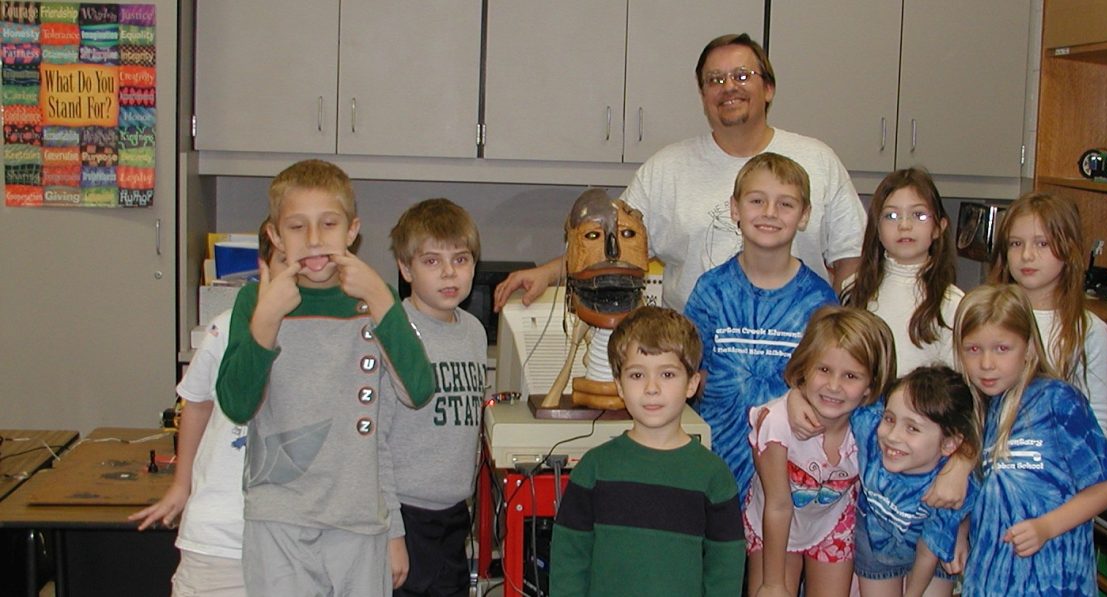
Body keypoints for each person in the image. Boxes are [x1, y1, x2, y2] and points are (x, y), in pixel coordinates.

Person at [494, 32, 865, 312]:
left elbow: (852, 261)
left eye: (741, 75)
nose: (728, 87)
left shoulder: (818, 162)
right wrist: (547, 273)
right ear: (703, 95)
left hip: (800, 361)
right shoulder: (667, 169)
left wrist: (846, 342)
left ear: (768, 88)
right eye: (714, 80)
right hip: (691, 366)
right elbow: (610, 245)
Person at [216, 159, 435, 596]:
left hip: (358, 520)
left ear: (352, 230)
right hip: (279, 518)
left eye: (328, 224)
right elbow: (236, 404)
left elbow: (418, 390)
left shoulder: (375, 298)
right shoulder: (254, 302)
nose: (314, 240)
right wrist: (267, 318)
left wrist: (378, 297)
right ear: (276, 236)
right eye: (297, 227)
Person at [128, 221, 282, 597]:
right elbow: (195, 405)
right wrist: (182, 485)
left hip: (289, 538)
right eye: (286, 261)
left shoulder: (329, 334)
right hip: (218, 535)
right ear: (264, 267)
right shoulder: (225, 328)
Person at [550, 306, 745, 597]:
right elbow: (569, 563)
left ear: (691, 384)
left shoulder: (713, 476)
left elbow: (725, 572)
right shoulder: (594, 469)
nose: (652, 388)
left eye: (667, 374)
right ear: (619, 385)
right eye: (637, 375)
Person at [683, 152, 838, 503]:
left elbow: (833, 386)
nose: (770, 213)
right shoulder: (711, 292)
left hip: (793, 478)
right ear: (735, 209)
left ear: (804, 215)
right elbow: (687, 376)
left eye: (785, 204)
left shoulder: (819, 302)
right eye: (757, 201)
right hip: (714, 471)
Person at [954, 284, 1107, 595]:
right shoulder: (979, 411)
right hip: (991, 582)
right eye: (973, 349)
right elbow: (982, 494)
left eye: (1002, 348)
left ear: (1029, 348)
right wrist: (962, 533)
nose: (987, 363)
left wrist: (1046, 527)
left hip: (1055, 582)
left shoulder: (1059, 400)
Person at [744, 306, 895, 597]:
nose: (834, 386)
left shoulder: (872, 428)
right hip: (773, 525)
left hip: (831, 525)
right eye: (824, 370)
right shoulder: (777, 423)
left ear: (870, 386)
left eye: (851, 376)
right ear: (804, 369)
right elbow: (777, 505)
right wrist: (773, 584)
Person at [387, 198, 488, 597]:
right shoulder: (393, 332)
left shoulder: (475, 332)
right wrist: (392, 532)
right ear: (405, 268)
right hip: (403, 517)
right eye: (431, 261)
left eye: (461, 259)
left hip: (453, 517)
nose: (450, 273)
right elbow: (372, 440)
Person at [851, 365, 980, 597]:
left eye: (912, 428)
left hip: (930, 551)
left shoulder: (947, 490)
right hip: (875, 540)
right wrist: (797, 398)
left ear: (949, 444)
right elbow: (838, 401)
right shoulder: (869, 429)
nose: (892, 436)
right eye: (889, 419)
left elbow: (928, 550)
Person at [989, 192, 1107, 435]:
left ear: (1068, 250)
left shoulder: (1088, 329)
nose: (1027, 255)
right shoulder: (986, 316)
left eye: (1042, 243)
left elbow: (1095, 422)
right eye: (1016, 243)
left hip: (1054, 462)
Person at [842, 168, 962, 376]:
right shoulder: (853, 289)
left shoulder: (953, 303)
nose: (904, 225)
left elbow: (952, 382)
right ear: (876, 228)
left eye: (919, 215)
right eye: (891, 215)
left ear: (938, 227)